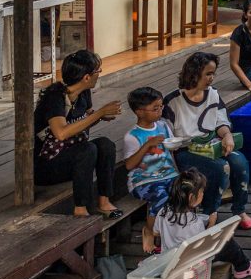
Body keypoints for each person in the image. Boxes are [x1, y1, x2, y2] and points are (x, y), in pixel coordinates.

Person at [163, 51, 251, 230]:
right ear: (194, 73)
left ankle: (239, 210)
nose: (211, 78)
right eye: (208, 74)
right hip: (186, 150)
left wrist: (227, 135)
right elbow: (168, 135)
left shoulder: (213, 94)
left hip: (212, 142)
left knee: (240, 161)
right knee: (221, 168)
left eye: (213, 73)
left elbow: (220, 121)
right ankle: (209, 212)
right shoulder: (173, 101)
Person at [33, 50, 123, 218]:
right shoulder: (55, 98)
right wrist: (100, 113)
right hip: (47, 166)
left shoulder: (84, 93)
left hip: (71, 158)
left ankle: (104, 201)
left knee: (105, 145)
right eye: (98, 71)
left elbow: (85, 120)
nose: (99, 74)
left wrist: (101, 116)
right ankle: (80, 209)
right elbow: (61, 133)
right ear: (87, 77)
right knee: (87, 149)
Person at [156, 169, 251, 279]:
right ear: (191, 197)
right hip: (191, 263)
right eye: (201, 192)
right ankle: (243, 267)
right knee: (228, 243)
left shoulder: (163, 212)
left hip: (170, 259)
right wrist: (211, 224)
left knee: (216, 225)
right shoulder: (193, 222)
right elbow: (205, 245)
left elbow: (156, 231)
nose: (203, 194)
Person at [123, 86, 180, 252]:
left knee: (185, 190)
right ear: (140, 112)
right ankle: (151, 231)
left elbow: (170, 150)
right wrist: (147, 145)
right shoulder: (132, 136)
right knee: (161, 196)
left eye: (161, 107)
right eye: (155, 108)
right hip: (143, 180)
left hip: (168, 173)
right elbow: (129, 165)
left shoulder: (163, 126)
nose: (160, 111)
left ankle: (175, 231)